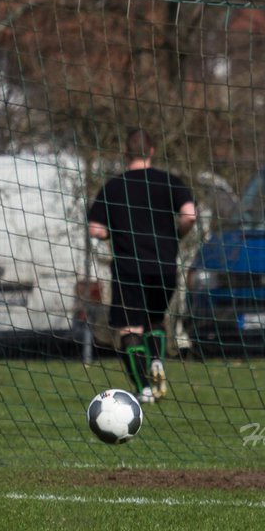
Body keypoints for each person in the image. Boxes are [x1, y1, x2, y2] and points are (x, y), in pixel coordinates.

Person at [87, 128, 196, 405]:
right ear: (151, 151)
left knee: (129, 330)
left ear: (127, 153)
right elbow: (190, 215)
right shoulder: (169, 181)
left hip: (128, 267)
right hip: (164, 266)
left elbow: (95, 229)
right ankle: (157, 359)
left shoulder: (113, 186)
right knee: (155, 319)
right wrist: (177, 235)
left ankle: (145, 389)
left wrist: (113, 232)